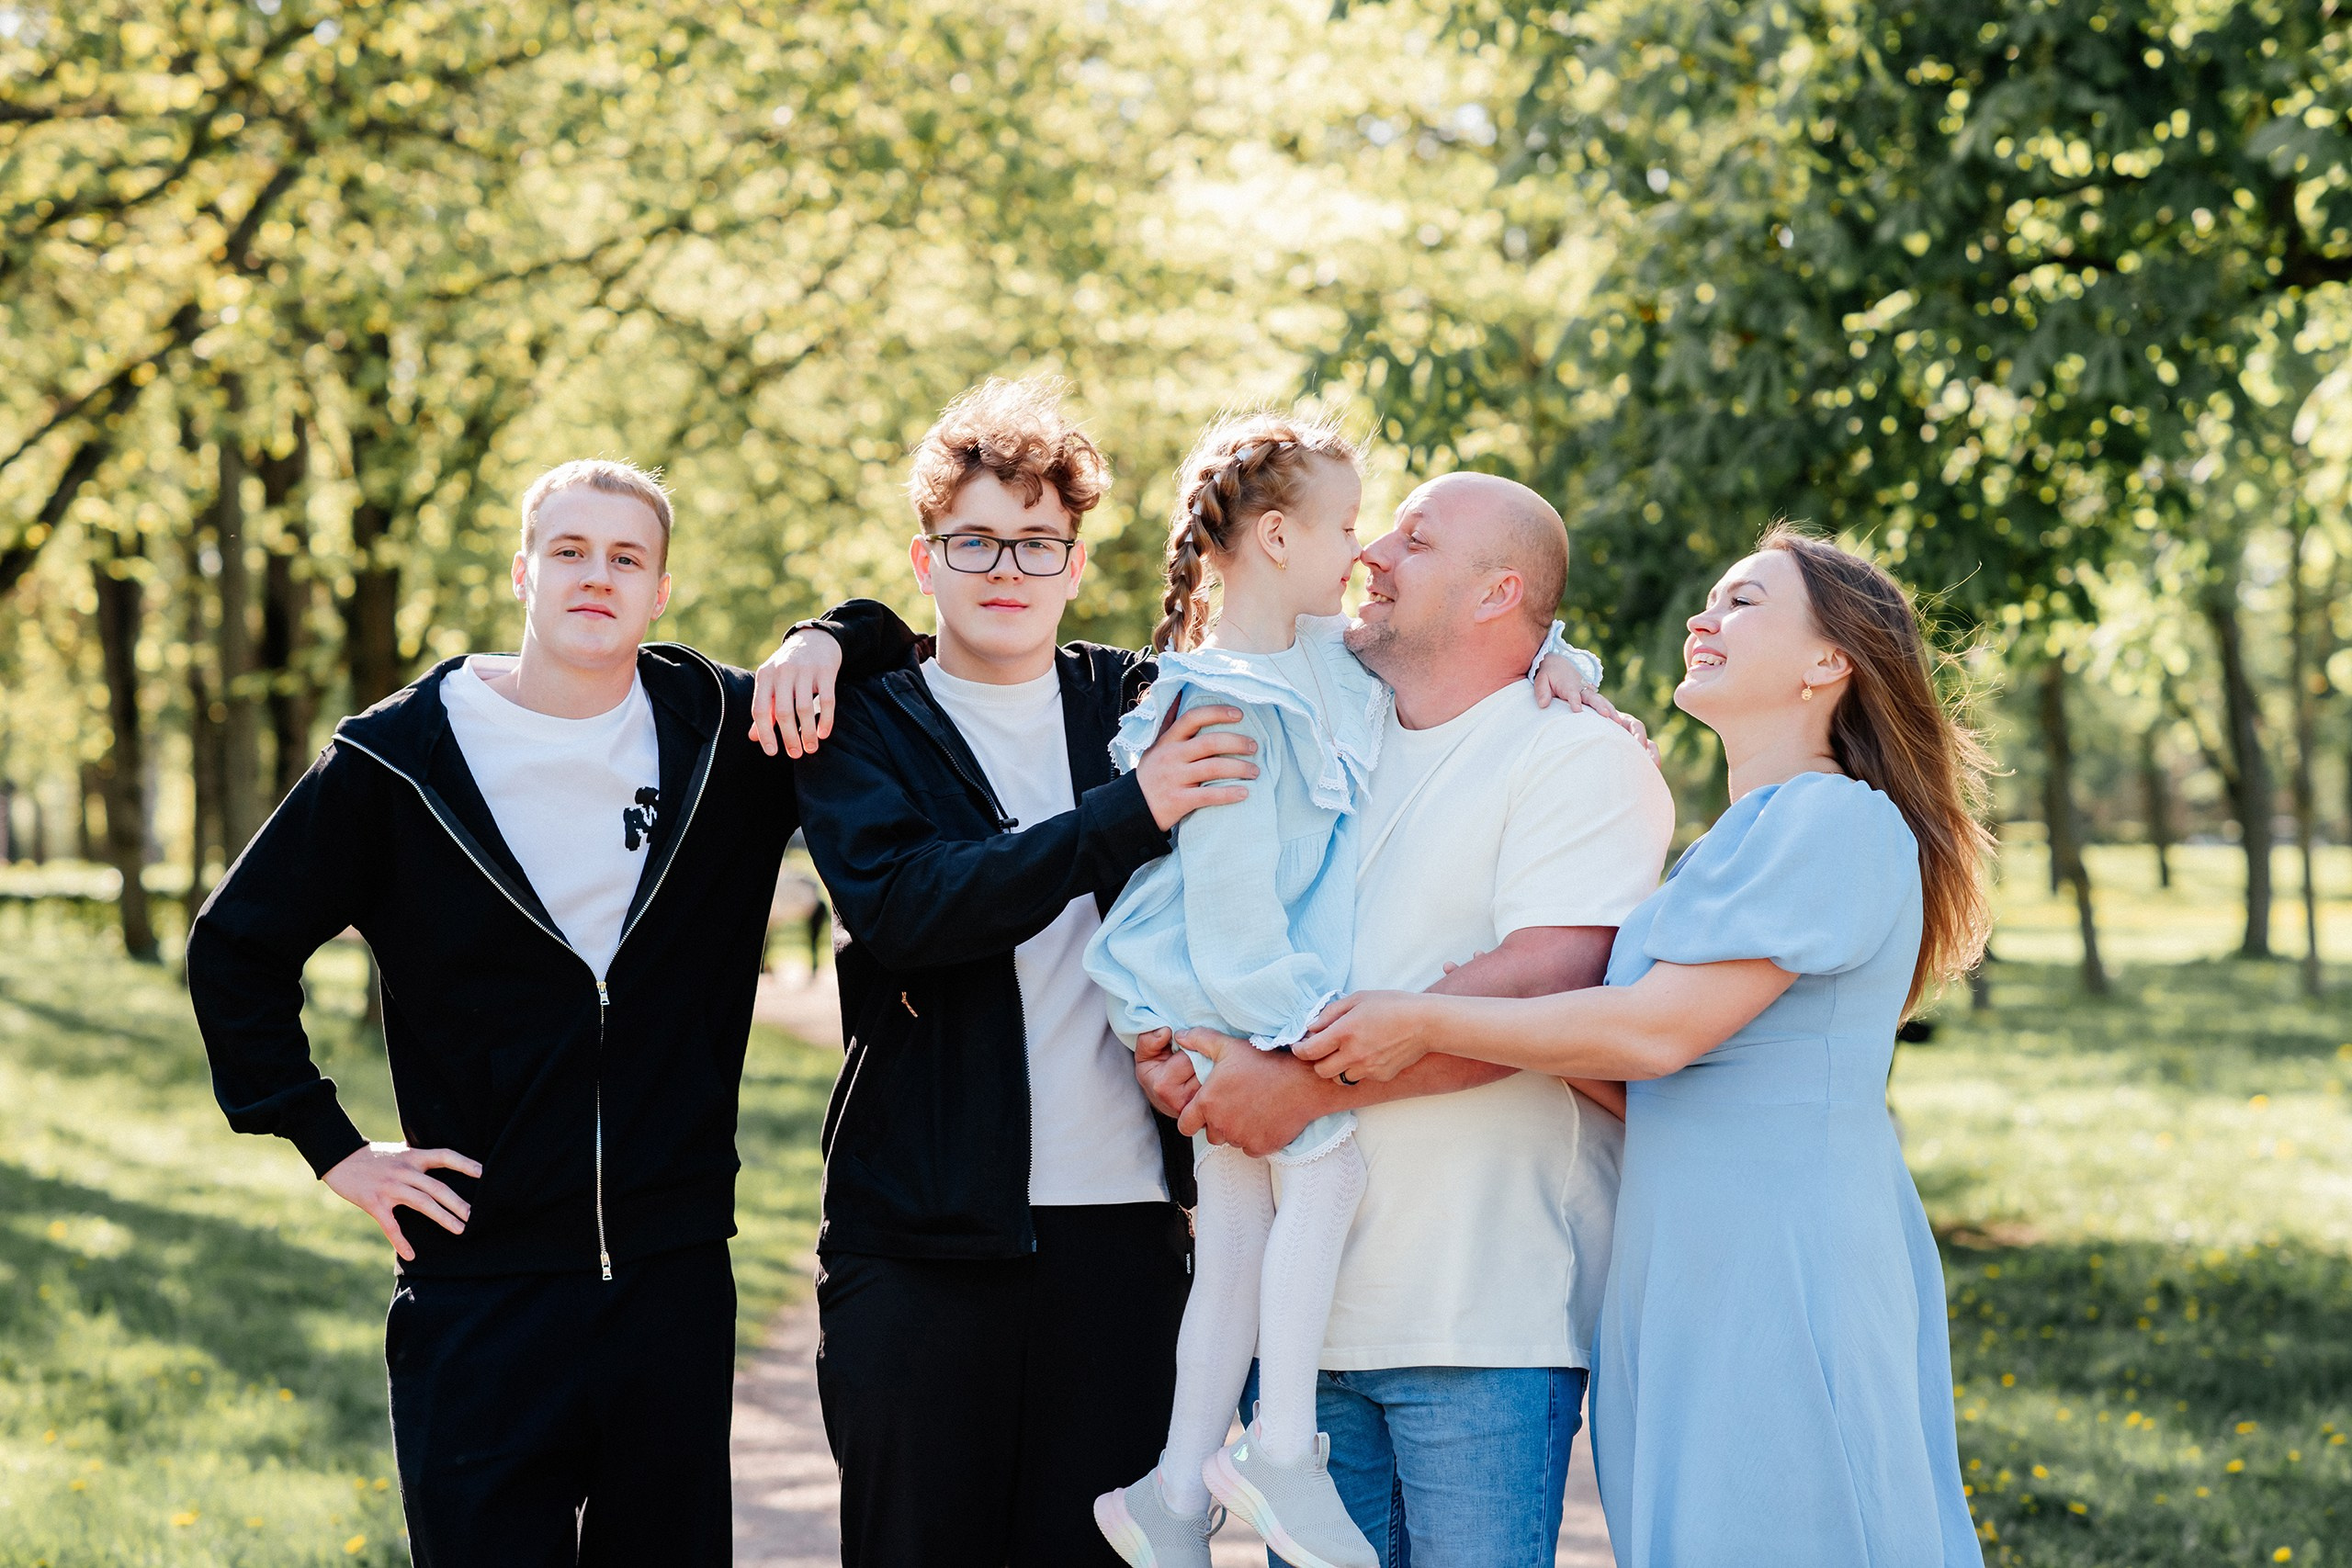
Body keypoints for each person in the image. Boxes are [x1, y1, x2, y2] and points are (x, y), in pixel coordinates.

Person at [185, 459, 924, 1566]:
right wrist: (332, 1147)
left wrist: (822, 636)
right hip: (476, 1283)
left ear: (660, 591)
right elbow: (234, 949)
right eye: (571, 551)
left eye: (627, 557)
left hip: (672, 1281)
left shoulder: (725, 736)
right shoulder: (398, 759)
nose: (597, 575)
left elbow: (895, 650)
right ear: (524, 571)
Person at [1297, 525, 1995, 1567]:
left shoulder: (1835, 822)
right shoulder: (1729, 845)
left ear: (1829, 662)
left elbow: (1654, 1035)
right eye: (1709, 600)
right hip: (1680, 1257)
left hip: (1780, 1256)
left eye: (1745, 602)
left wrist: (1422, 1018)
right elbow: (1625, 1067)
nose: (1703, 619)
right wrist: (1549, 679)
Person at [1083, 418, 1607, 1568]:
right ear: (1278, 537)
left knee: (1231, 1241)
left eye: (1401, 536)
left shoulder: (1336, 671)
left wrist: (1558, 654)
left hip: (1259, 1034)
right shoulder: (1226, 701)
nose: (1366, 552)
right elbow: (1223, 914)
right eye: (1354, 527)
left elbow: (1485, 631)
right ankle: (1266, 1456)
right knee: (1302, 1190)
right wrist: (1276, 1049)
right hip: (1224, 994)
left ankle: (1176, 1495)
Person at [776, 378, 1267, 1567]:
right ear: (926, 555)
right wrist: (1123, 816)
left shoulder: (1137, 701)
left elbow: (1318, 688)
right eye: (977, 539)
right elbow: (909, 909)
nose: (1007, 567)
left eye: (1038, 542)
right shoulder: (864, 722)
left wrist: (1542, 680)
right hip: (919, 1245)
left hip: (1127, 1240)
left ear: (1074, 563)